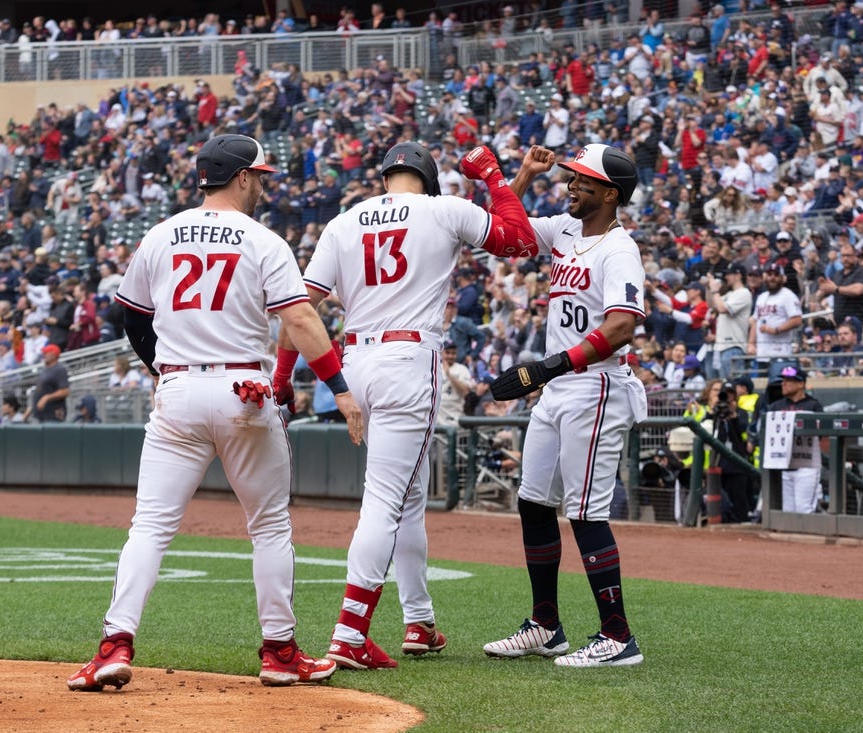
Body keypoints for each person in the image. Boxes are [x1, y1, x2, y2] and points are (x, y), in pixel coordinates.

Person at [68, 134, 363, 692]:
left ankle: (114, 645)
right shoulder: (261, 239)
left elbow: (132, 317)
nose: (265, 185)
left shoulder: (160, 235)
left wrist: (163, 371)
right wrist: (340, 388)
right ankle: (278, 653)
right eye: (261, 176)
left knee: (150, 526)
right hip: (243, 389)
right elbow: (299, 321)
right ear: (242, 177)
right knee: (270, 526)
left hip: (178, 389)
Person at [274, 140, 536, 670]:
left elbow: (298, 309)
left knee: (407, 496)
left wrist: (283, 377)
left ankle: (419, 622)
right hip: (409, 360)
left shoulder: (344, 221)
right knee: (386, 501)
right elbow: (520, 238)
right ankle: (349, 633)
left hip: (357, 362)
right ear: (430, 179)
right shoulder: (443, 209)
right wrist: (494, 175)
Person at [483, 143, 646, 668]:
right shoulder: (566, 229)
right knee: (533, 502)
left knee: (584, 512)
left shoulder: (619, 250)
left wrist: (549, 367)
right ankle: (546, 626)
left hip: (595, 385)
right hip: (559, 388)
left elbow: (621, 327)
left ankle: (618, 637)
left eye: (583, 180)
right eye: (572, 177)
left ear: (610, 193)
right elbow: (504, 235)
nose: (572, 185)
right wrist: (524, 174)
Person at [767, 366, 824, 514]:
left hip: (807, 464)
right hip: (784, 464)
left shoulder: (813, 405)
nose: (784, 384)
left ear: (801, 384)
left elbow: (821, 434)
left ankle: (811, 537)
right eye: (783, 380)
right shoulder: (776, 406)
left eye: (789, 381)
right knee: (788, 511)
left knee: (804, 509)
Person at [30, 344, 70, 422]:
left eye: (46, 353)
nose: (43, 355)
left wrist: (47, 397)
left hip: (53, 414)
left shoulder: (59, 369)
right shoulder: (46, 369)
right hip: (43, 414)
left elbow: (65, 391)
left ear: (53, 354)